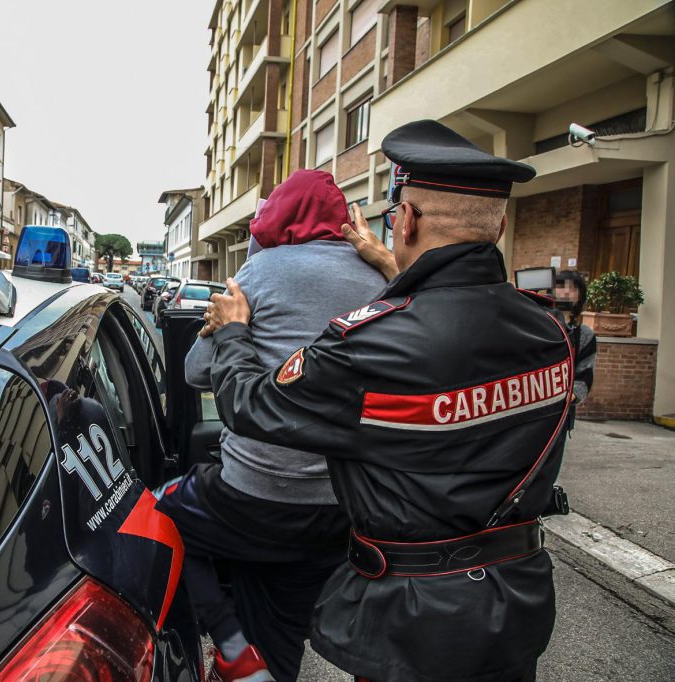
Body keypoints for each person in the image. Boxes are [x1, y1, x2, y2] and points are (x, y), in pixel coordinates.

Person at [200, 120, 573, 682]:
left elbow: (250, 406)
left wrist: (232, 333)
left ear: (406, 218)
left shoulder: (370, 344)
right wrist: (395, 270)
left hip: (414, 621)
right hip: (514, 604)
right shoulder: (556, 333)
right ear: (496, 227)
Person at [156, 170, 385, 682]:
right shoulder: (384, 276)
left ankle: (232, 645)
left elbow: (195, 372)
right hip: (346, 505)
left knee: (158, 512)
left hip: (251, 497)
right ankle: (250, 650)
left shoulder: (259, 272)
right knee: (277, 603)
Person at [554, 270, 596, 407]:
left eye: (572, 288)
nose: (566, 292)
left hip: (562, 408)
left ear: (580, 296)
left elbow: (584, 375)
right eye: (560, 287)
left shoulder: (585, 334)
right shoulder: (537, 324)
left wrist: (570, 397)